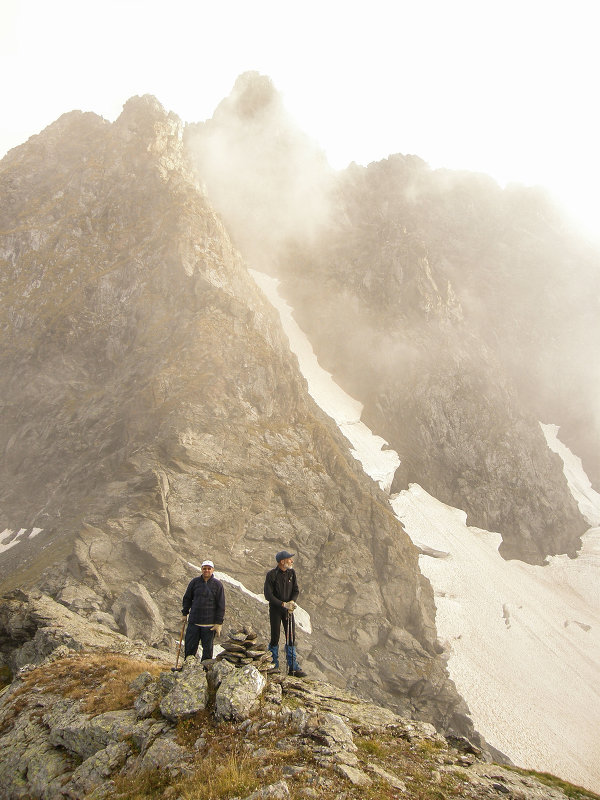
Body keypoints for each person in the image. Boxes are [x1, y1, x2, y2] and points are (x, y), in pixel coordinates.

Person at [264, 550, 307, 677]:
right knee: (275, 636)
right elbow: (268, 595)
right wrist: (283, 604)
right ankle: (273, 664)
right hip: (276, 610)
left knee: (291, 637)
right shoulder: (271, 575)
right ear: (282, 561)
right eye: (289, 559)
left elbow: (296, 590)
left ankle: (292, 666)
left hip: (288, 610)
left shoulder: (291, 573)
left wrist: (292, 601)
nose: (291, 561)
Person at [182, 560, 225, 661]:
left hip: (209, 626)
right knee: (190, 648)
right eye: (204, 568)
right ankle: (187, 669)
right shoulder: (194, 582)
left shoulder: (218, 585)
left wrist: (219, 623)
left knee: (207, 651)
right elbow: (187, 598)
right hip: (194, 623)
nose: (206, 570)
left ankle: (205, 672)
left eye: (209, 568)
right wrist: (185, 613)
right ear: (201, 569)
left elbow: (221, 605)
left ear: (213, 570)